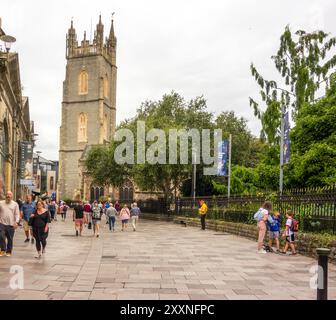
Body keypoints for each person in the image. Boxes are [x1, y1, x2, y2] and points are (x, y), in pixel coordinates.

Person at [0, 191, 20, 257]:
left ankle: (9, 251)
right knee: (1, 236)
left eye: (10, 195)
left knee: (10, 238)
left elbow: (17, 214)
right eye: (7, 194)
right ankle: (3, 250)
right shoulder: (1, 203)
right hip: (1, 223)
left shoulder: (15, 204)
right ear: (5, 195)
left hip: (11, 224)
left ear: (12, 196)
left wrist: (16, 222)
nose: (8, 196)